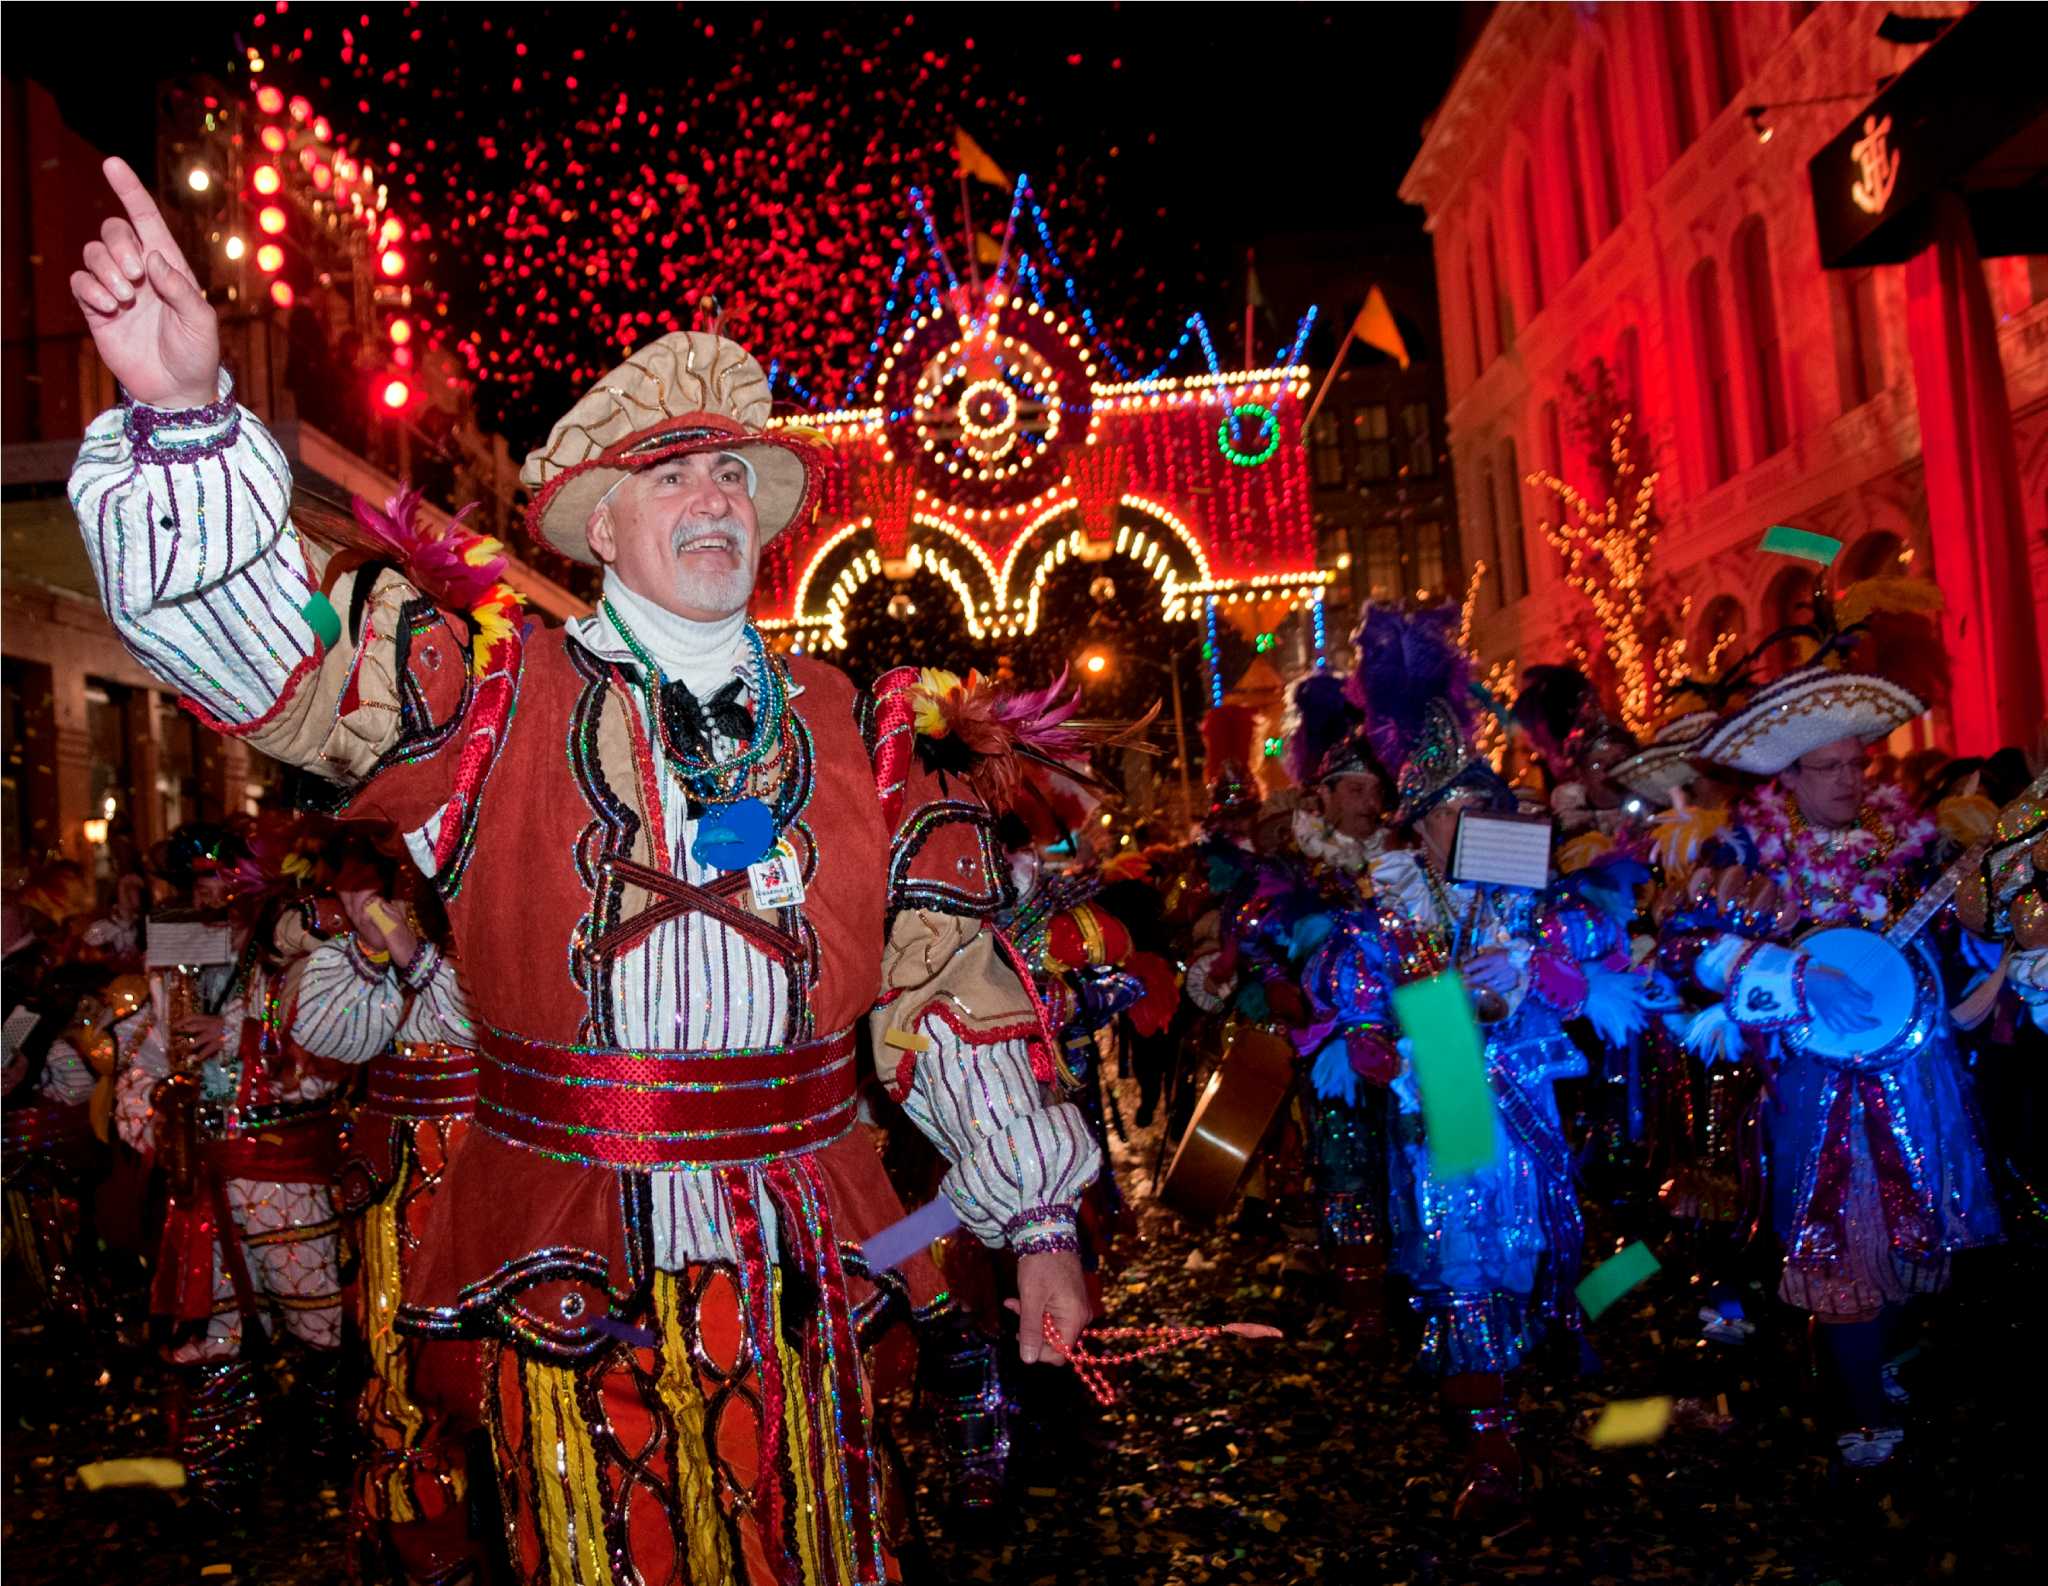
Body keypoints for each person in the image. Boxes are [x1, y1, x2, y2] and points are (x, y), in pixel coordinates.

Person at [69, 157, 1095, 1585]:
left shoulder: (861, 728)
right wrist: (186, 417)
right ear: (600, 528)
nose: (713, 497)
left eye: (731, 473)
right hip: (571, 1261)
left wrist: (1037, 1222)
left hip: (816, 1251)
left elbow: (949, 988)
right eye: (669, 476)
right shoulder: (489, 701)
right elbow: (280, 667)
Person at [1304, 604, 1652, 1521]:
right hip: (1449, 1088)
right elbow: (1351, 1004)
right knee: (1462, 1264)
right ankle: (1490, 1447)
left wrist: (1535, 968)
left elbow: (1595, 966)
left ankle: (1548, 1374)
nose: (1469, 826)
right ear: (1417, 828)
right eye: (1450, 814)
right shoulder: (1387, 913)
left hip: (1528, 1099)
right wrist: (1383, 1037)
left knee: (1534, 1256)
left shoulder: (1530, 897)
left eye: (1481, 809)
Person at [1671, 661, 2005, 1470]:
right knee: (1841, 1240)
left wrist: (1984, 939)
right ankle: (1861, 1405)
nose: (1852, 780)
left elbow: (1957, 945)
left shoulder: (1909, 847)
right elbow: (1690, 948)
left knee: (1914, 1236)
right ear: (1787, 777)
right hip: (1811, 1087)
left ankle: (1874, 1359)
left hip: (1915, 1078)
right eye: (1830, 768)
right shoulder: (1745, 850)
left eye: (1859, 764)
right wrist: (1797, 976)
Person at [113, 822, 349, 1508]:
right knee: (211, 1327)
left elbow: (327, 1060)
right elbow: (145, 1053)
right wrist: (152, 1105)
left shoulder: (301, 955)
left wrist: (246, 1038)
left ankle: (325, 1460)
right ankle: (224, 1476)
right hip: (203, 1176)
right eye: (197, 881)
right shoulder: (179, 959)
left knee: (316, 1321)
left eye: (222, 876)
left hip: (284, 1173)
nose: (210, 892)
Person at [288, 848, 486, 1586]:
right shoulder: (387, 912)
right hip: (400, 1176)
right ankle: (421, 1531)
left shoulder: (502, 897)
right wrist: (373, 951)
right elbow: (328, 1034)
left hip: (491, 1168)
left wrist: (414, 954)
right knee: (397, 1350)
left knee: (493, 1353)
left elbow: (493, 1023)